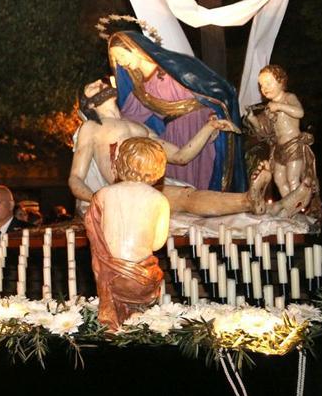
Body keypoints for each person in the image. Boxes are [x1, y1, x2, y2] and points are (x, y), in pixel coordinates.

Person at [69, 79, 278, 218]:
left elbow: (180, 156)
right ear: (88, 105)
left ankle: (248, 200)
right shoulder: (92, 127)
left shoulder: (140, 127)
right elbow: (75, 177)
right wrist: (96, 199)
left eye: (100, 82)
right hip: (122, 191)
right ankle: (251, 201)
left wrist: (209, 127)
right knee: (185, 199)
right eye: (93, 87)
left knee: (188, 196)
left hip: (152, 186)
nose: (100, 83)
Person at [107, 30, 245, 192]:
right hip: (174, 137)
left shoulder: (173, 69)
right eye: (117, 60)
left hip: (198, 127)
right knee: (181, 187)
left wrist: (213, 115)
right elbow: (127, 119)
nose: (121, 63)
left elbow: (208, 92)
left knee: (205, 181)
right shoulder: (140, 91)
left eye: (122, 55)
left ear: (135, 48)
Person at [84, 137, 170, 330]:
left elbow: (94, 231)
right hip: (142, 280)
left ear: (120, 162)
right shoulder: (160, 200)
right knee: (142, 325)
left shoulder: (102, 194)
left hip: (110, 277)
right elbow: (157, 244)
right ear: (158, 168)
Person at [244, 65, 322, 216]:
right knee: (279, 178)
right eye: (261, 85)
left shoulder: (288, 98)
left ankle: (297, 208)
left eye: (268, 83)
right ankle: (289, 206)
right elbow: (264, 131)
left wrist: (280, 106)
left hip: (293, 144)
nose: (264, 88)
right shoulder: (268, 108)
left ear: (280, 82)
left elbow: (299, 112)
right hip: (279, 148)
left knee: (293, 178)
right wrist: (252, 119)